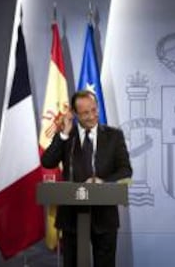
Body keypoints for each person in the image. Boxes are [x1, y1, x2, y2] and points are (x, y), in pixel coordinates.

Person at [42, 90, 132, 267]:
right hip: (72, 217)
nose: (92, 116)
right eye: (85, 113)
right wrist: (63, 135)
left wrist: (103, 182)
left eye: (94, 110)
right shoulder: (68, 136)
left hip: (104, 217)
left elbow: (125, 170)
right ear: (75, 114)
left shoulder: (114, 136)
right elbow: (48, 162)